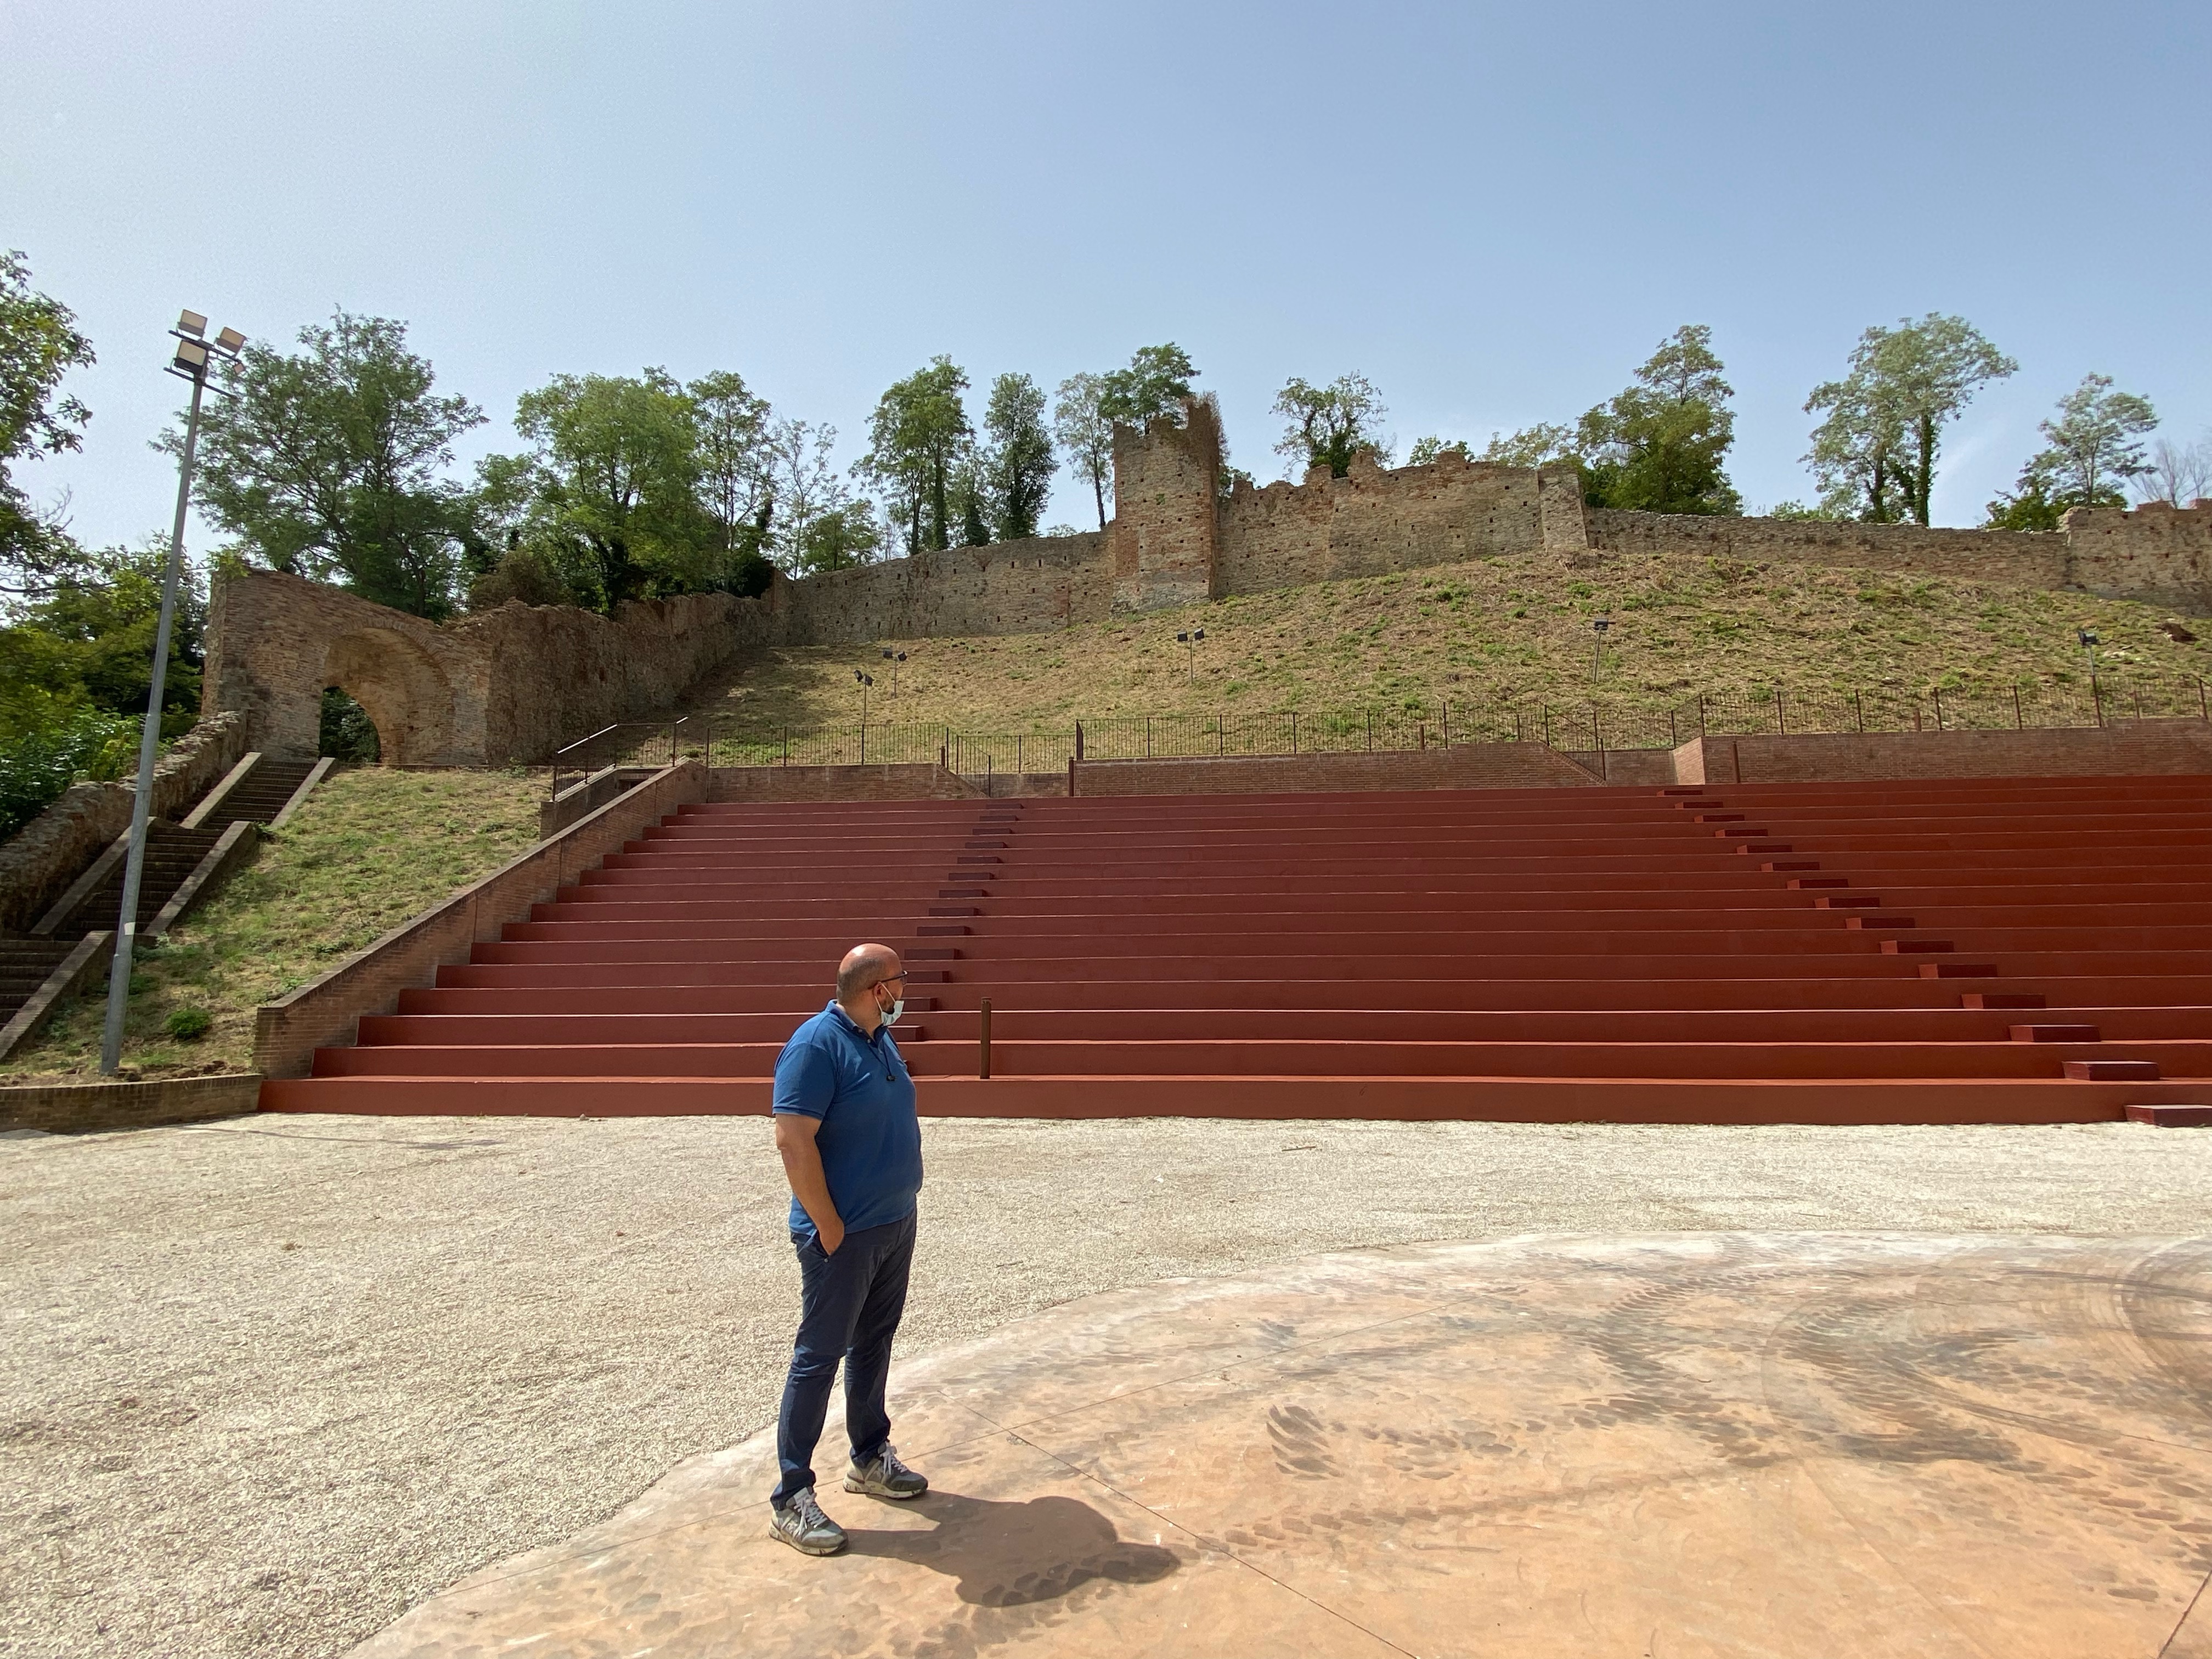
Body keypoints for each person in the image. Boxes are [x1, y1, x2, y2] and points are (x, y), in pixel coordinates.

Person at [766, 941, 929, 1556]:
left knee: (874, 1342)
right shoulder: (815, 1045)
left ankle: (869, 1456)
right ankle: (791, 1496)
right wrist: (829, 1225)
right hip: (844, 1235)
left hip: (893, 1222)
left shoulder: (878, 1038)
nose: (905, 992)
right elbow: (792, 1139)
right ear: (877, 990)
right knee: (819, 1357)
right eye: (901, 981)